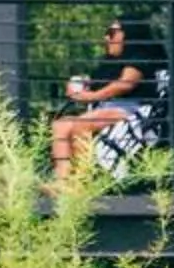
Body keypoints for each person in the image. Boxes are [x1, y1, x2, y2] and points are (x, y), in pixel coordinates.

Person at [49, 15, 165, 180]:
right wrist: (80, 85)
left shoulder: (138, 56)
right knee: (61, 125)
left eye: (111, 33)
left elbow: (125, 84)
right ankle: (63, 180)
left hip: (132, 110)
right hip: (108, 108)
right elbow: (96, 81)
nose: (106, 37)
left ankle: (82, 180)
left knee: (81, 126)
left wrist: (91, 96)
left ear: (127, 35)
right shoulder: (110, 61)